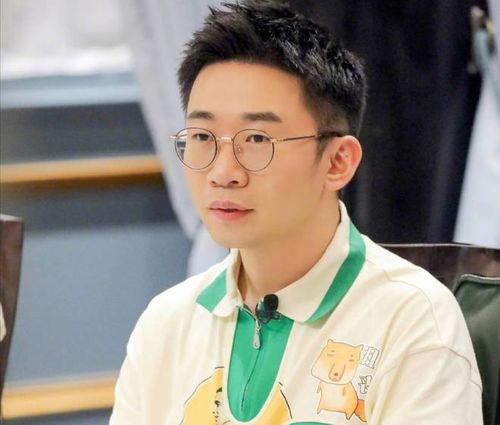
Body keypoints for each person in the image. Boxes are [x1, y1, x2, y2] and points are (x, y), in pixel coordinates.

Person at [110, 1, 482, 424]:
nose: (223, 172)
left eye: (256, 139)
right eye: (201, 136)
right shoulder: (167, 323)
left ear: (337, 161)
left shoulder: (413, 322)